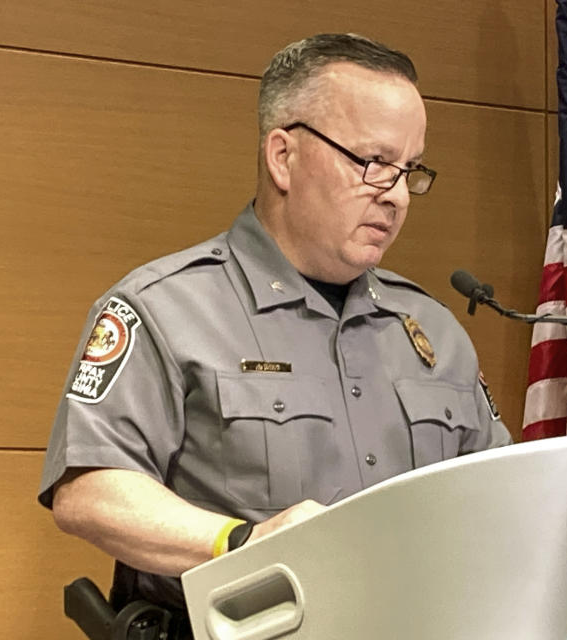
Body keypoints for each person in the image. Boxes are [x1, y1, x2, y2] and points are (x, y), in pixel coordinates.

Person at [39, 32, 511, 632]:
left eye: (408, 170)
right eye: (372, 162)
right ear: (283, 156)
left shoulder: (433, 330)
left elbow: (501, 492)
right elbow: (90, 493)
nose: (394, 195)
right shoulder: (165, 308)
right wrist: (246, 542)